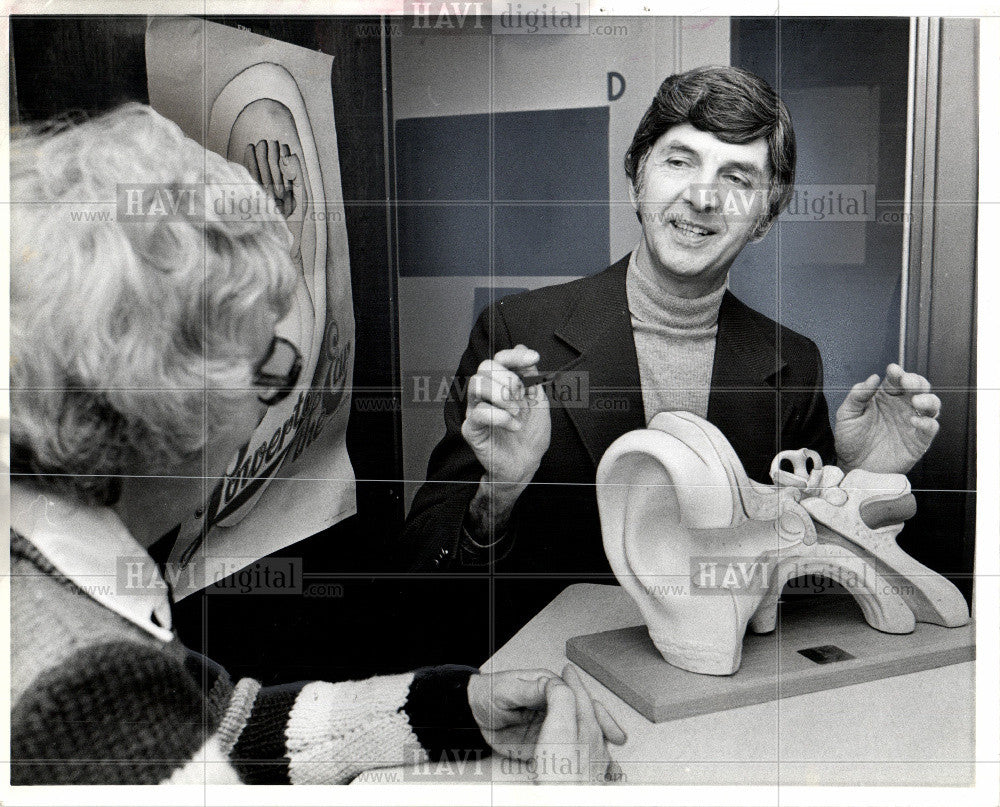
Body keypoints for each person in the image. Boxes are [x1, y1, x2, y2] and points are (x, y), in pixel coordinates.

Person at [8, 104, 625, 785]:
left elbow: (222, 725)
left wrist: (454, 708)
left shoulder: (48, 562)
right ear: (173, 405)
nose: (273, 408)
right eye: (268, 369)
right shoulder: (79, 684)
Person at [399, 66, 942, 646]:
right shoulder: (518, 334)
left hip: (716, 692)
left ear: (765, 218)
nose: (703, 196)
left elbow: (806, 579)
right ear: (637, 177)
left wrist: (862, 478)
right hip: (556, 682)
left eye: (736, 177)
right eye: (679, 161)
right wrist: (498, 494)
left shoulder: (792, 362)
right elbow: (428, 584)